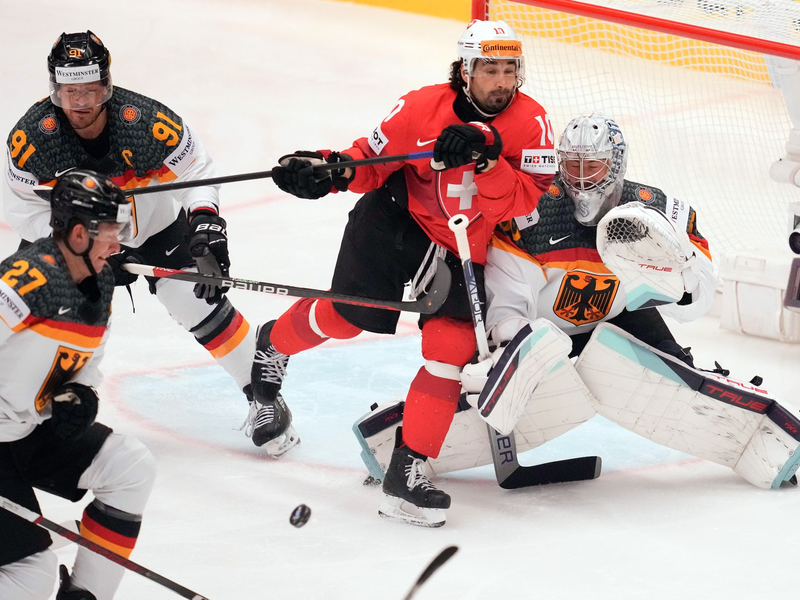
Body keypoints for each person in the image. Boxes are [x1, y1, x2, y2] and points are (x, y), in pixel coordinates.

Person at [264, 19, 556, 526]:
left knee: (451, 348)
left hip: (461, 245)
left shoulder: (532, 124)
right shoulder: (421, 106)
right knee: (347, 316)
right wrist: (326, 172)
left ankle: (408, 472)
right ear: (465, 71)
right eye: (490, 69)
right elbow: (370, 161)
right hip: (394, 220)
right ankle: (272, 345)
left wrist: (487, 157)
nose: (503, 82)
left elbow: (523, 201)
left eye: (511, 70)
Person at [2, 31, 294, 456]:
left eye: (88, 90)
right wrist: (82, 251)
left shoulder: (145, 123)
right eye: (69, 92)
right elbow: (22, 210)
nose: (80, 102)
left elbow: (197, 169)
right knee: (43, 311)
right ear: (55, 91)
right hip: (75, 242)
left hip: (154, 228)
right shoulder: (32, 141)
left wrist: (206, 221)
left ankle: (263, 396)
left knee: (194, 298)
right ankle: (27, 410)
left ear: (106, 85)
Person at [0, 170, 157, 600]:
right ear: (76, 234)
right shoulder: (24, 283)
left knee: (129, 468)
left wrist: (82, 392)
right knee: (29, 578)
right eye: (109, 232)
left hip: (27, 429)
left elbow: (92, 351)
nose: (117, 243)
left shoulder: (100, 280)